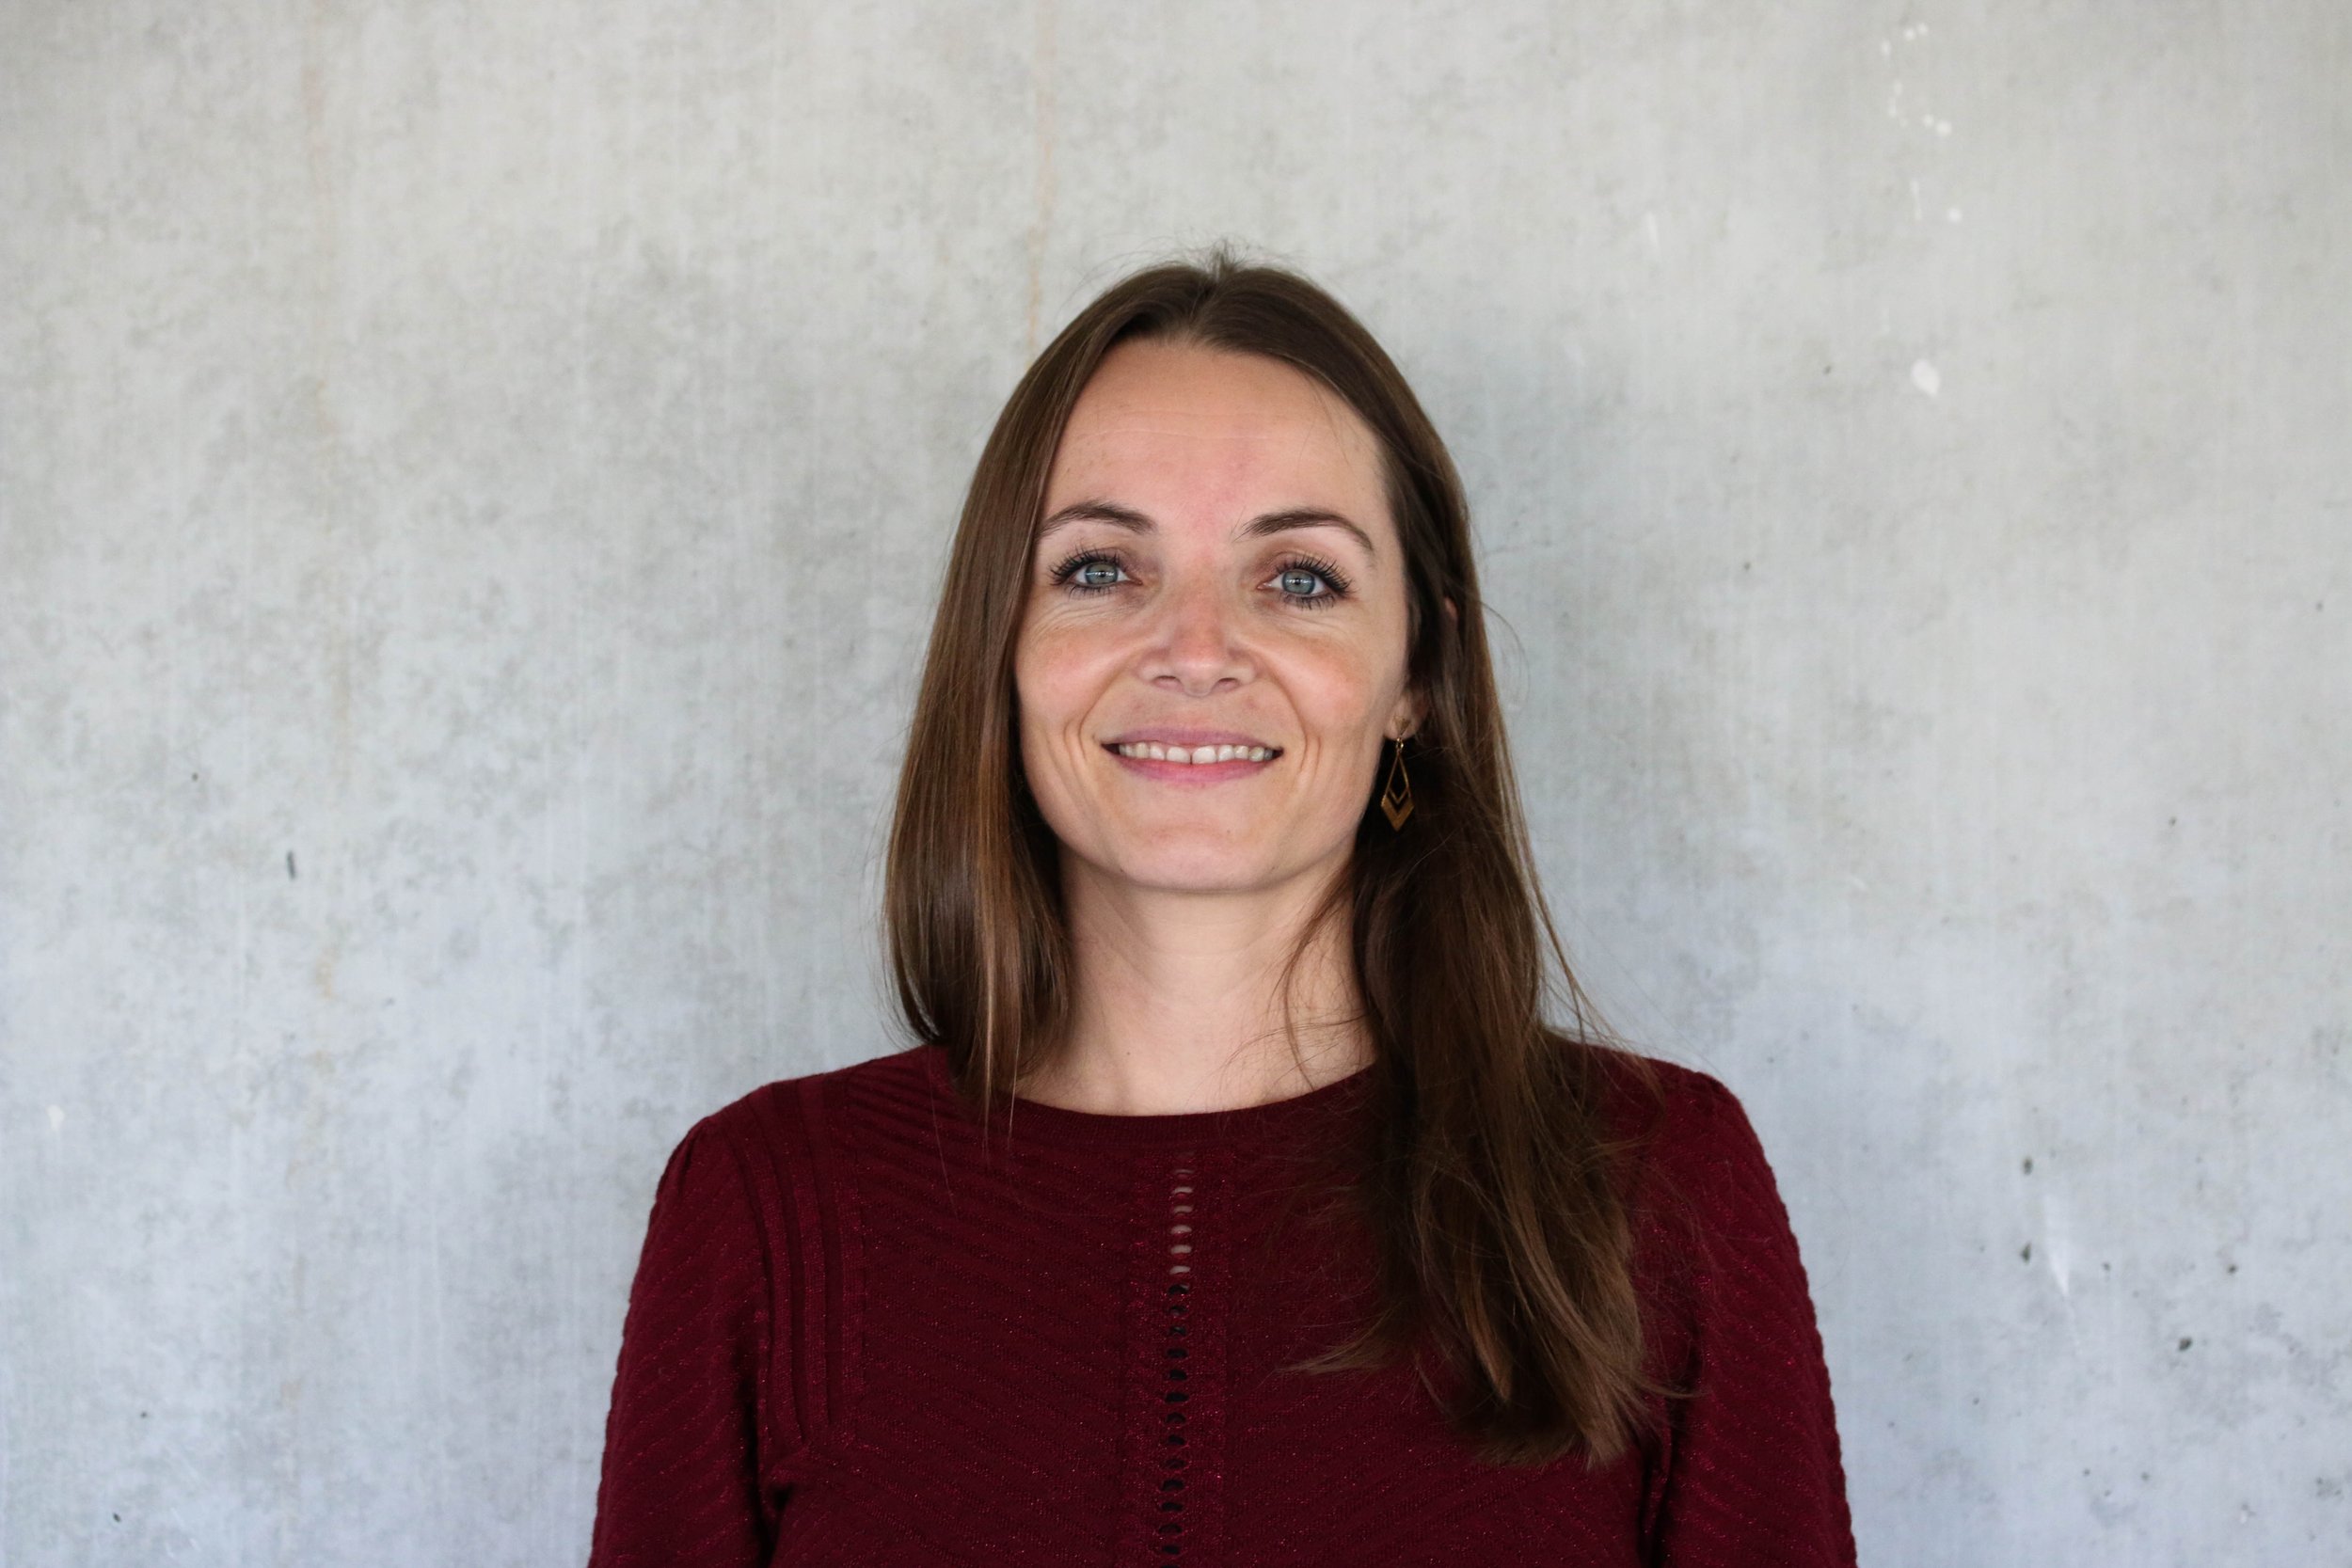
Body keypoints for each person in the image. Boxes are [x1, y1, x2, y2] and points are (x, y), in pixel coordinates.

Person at [585, 253, 1857, 1565]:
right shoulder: (761, 1211)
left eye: (1298, 578)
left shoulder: (1652, 1184)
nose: (1195, 648)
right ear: (1001, 650)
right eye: (1099, 569)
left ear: (1418, 671)